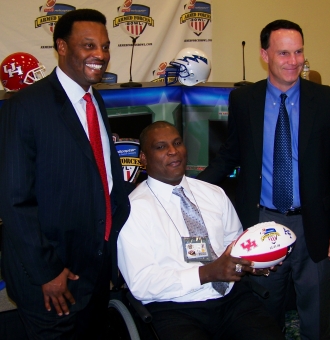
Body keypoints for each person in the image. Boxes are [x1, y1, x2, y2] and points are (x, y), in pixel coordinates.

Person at [197, 19, 330, 340]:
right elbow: (230, 155)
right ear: (264, 55)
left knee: (316, 310)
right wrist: (192, 188)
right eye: (283, 53)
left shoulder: (329, 101)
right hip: (261, 223)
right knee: (264, 310)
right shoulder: (243, 100)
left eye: (298, 52)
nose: (293, 61)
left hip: (315, 224)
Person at [0, 9, 131, 339]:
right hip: (52, 279)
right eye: (88, 46)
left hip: (95, 271)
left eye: (104, 46)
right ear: (61, 46)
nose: (99, 55)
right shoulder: (26, 107)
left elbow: (101, 179)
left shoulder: (94, 99)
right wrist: (48, 272)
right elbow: (14, 201)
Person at [117, 121, 284, 340]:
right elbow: (142, 284)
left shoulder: (214, 194)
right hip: (173, 307)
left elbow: (235, 246)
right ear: (144, 159)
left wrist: (255, 262)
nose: (173, 151)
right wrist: (206, 273)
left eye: (177, 143)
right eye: (161, 147)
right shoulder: (133, 209)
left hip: (231, 298)